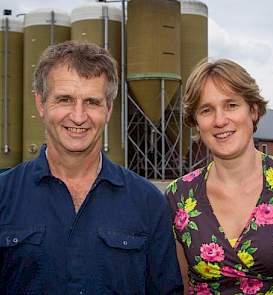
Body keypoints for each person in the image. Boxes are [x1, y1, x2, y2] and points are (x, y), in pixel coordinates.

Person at [0, 41, 183, 294]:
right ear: (41, 104)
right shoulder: (4, 195)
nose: (78, 116)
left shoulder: (148, 202)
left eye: (92, 102)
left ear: (108, 110)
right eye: (64, 99)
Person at [165, 58, 273, 294]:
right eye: (206, 110)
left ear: (253, 110)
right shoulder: (179, 196)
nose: (220, 120)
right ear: (196, 122)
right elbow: (180, 285)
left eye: (231, 105)